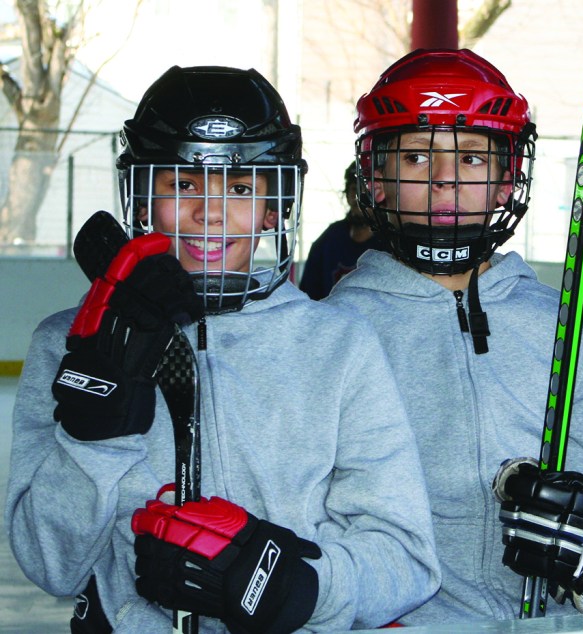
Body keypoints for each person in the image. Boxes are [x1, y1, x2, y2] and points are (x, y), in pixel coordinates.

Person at [5, 65, 439, 632]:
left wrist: (296, 588)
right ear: (140, 198)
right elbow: (51, 567)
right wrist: (93, 440)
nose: (209, 211)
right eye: (182, 183)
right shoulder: (69, 343)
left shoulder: (338, 344)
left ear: (272, 206)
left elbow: (406, 560)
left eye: (239, 187)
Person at [323, 48, 583, 624]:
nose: (445, 181)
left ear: (506, 180)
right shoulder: (335, 331)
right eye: (417, 157)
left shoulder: (567, 328)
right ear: (377, 178)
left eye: (471, 158)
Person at [299, 161, 383, 300]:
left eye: (367, 190)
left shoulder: (392, 243)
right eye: (353, 189)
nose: (359, 197)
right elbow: (308, 297)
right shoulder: (329, 239)